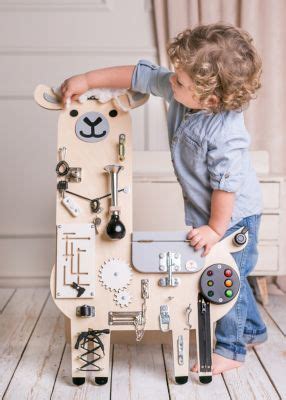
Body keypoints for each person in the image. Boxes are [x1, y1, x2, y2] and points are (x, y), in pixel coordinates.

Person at [60, 22, 268, 374]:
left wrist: (216, 229)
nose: (171, 81)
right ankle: (252, 330)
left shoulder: (225, 132)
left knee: (224, 274)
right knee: (233, 272)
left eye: (179, 82)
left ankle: (231, 349)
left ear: (210, 99)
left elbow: (226, 186)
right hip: (209, 210)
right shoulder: (181, 88)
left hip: (233, 216)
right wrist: (86, 79)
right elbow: (139, 75)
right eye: (175, 75)